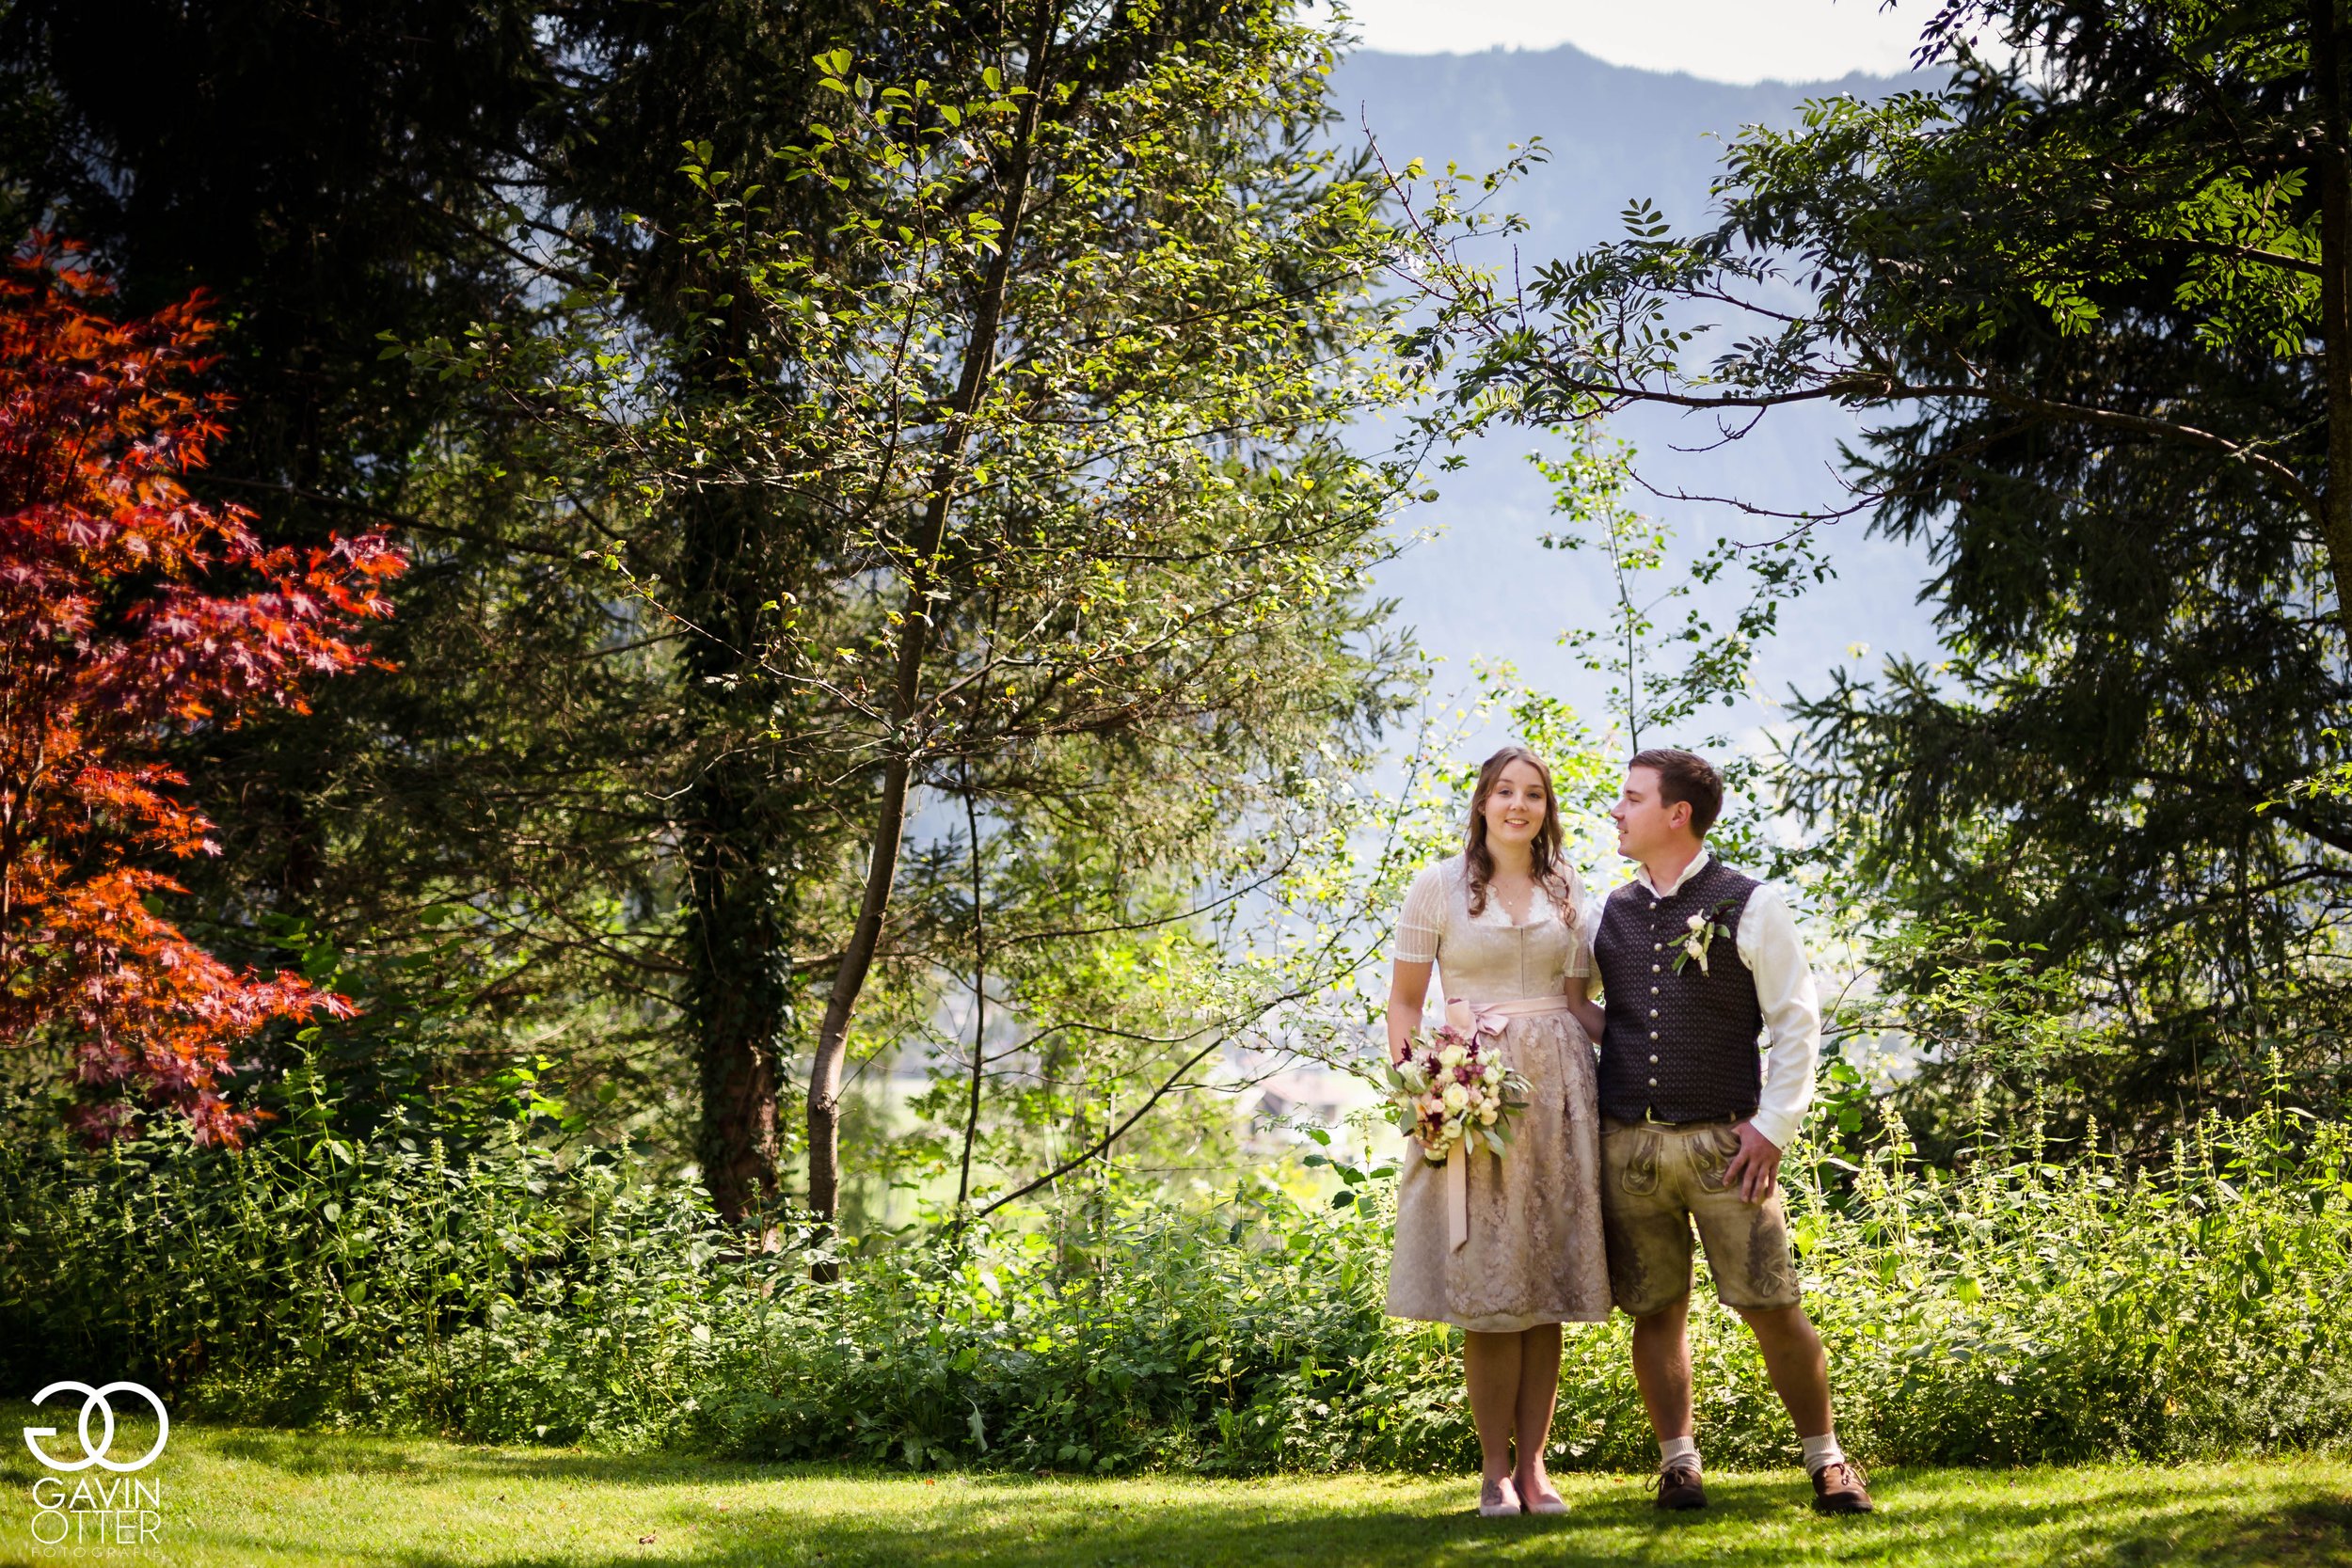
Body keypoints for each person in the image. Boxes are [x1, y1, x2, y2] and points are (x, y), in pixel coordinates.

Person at [1587, 747, 1873, 1514]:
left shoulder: (1751, 903)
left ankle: (1829, 1459)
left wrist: (1772, 1129)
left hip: (1728, 1146)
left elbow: (1796, 1024)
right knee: (1654, 1309)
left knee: (1773, 1303)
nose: (1616, 810)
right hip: (1630, 1147)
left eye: (1630, 798)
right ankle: (1679, 1462)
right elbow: (1589, 1009)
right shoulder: (1607, 911)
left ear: (1676, 814)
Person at [1384, 745, 1611, 1517]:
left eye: (1535, 794)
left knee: (1543, 1283)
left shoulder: (1568, 885)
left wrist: (1661, 1044)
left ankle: (1537, 1466)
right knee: (1488, 1286)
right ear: (1482, 801)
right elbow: (1405, 1005)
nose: (1520, 805)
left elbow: (1580, 1000)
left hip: (1559, 1096)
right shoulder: (1437, 885)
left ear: (1547, 809)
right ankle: (1492, 1470)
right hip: (1473, 1088)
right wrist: (1423, 1087)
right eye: (1506, 791)